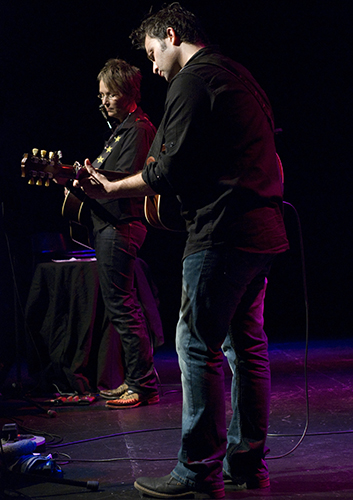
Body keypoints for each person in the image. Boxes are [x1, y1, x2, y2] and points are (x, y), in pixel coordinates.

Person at [77, 4, 289, 498]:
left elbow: (165, 171)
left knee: (197, 347)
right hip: (262, 229)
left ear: (171, 36)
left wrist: (109, 190)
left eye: (152, 52)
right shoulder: (241, 76)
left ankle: (198, 471)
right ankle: (247, 465)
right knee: (247, 346)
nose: (152, 66)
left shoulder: (192, 81)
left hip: (220, 235)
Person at [85, 58, 160, 409]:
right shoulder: (122, 130)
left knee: (124, 308)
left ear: (129, 94)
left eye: (110, 95)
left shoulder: (139, 129)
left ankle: (143, 384)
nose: (103, 101)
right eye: (101, 95)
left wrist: (91, 178)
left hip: (121, 227)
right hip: (111, 226)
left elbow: (126, 179)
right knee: (122, 307)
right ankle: (136, 380)